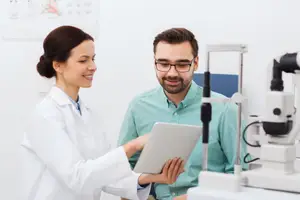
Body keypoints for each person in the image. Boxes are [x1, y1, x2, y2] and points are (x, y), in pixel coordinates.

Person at [19, 25, 185, 200]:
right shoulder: (45, 115)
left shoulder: (88, 114)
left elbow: (104, 176)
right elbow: (78, 178)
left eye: (93, 59)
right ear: (58, 65)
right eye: (83, 60)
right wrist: (133, 146)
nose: (93, 66)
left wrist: (151, 178)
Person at [117, 28, 249, 200]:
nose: (172, 73)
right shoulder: (139, 106)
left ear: (195, 63)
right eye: (164, 64)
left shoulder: (225, 109)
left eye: (181, 64)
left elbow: (240, 177)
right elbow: (123, 172)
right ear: (154, 62)